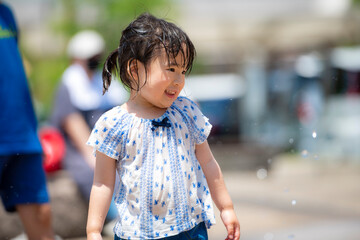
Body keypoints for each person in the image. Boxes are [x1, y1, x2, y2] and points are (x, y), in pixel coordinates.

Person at [86, 13, 240, 240]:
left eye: (183, 71)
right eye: (171, 69)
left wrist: (226, 207)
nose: (179, 80)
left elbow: (208, 162)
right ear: (134, 69)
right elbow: (102, 183)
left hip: (189, 228)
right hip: (137, 233)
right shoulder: (114, 124)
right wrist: (93, 230)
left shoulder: (186, 112)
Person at [51, 30, 127, 225]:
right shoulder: (69, 84)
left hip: (108, 144)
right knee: (94, 172)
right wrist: (93, 154)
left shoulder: (103, 80)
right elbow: (72, 123)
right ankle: (116, 218)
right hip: (78, 149)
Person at [0, 2, 56, 240]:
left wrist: (33, 131)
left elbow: (16, 75)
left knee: (41, 213)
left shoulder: (5, 14)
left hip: (23, 136)